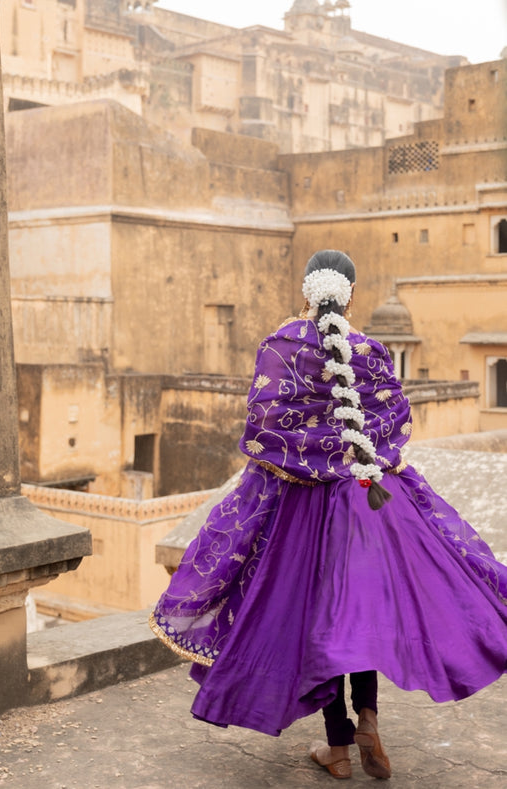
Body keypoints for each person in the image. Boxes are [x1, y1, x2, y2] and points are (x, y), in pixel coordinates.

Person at [150, 250, 507, 781]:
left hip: (299, 511)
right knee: (358, 616)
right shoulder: (371, 350)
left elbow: (262, 426)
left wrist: (309, 458)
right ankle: (367, 719)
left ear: (306, 291)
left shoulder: (280, 346)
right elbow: (393, 420)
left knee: (316, 622)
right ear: (352, 294)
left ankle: (337, 749)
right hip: (370, 504)